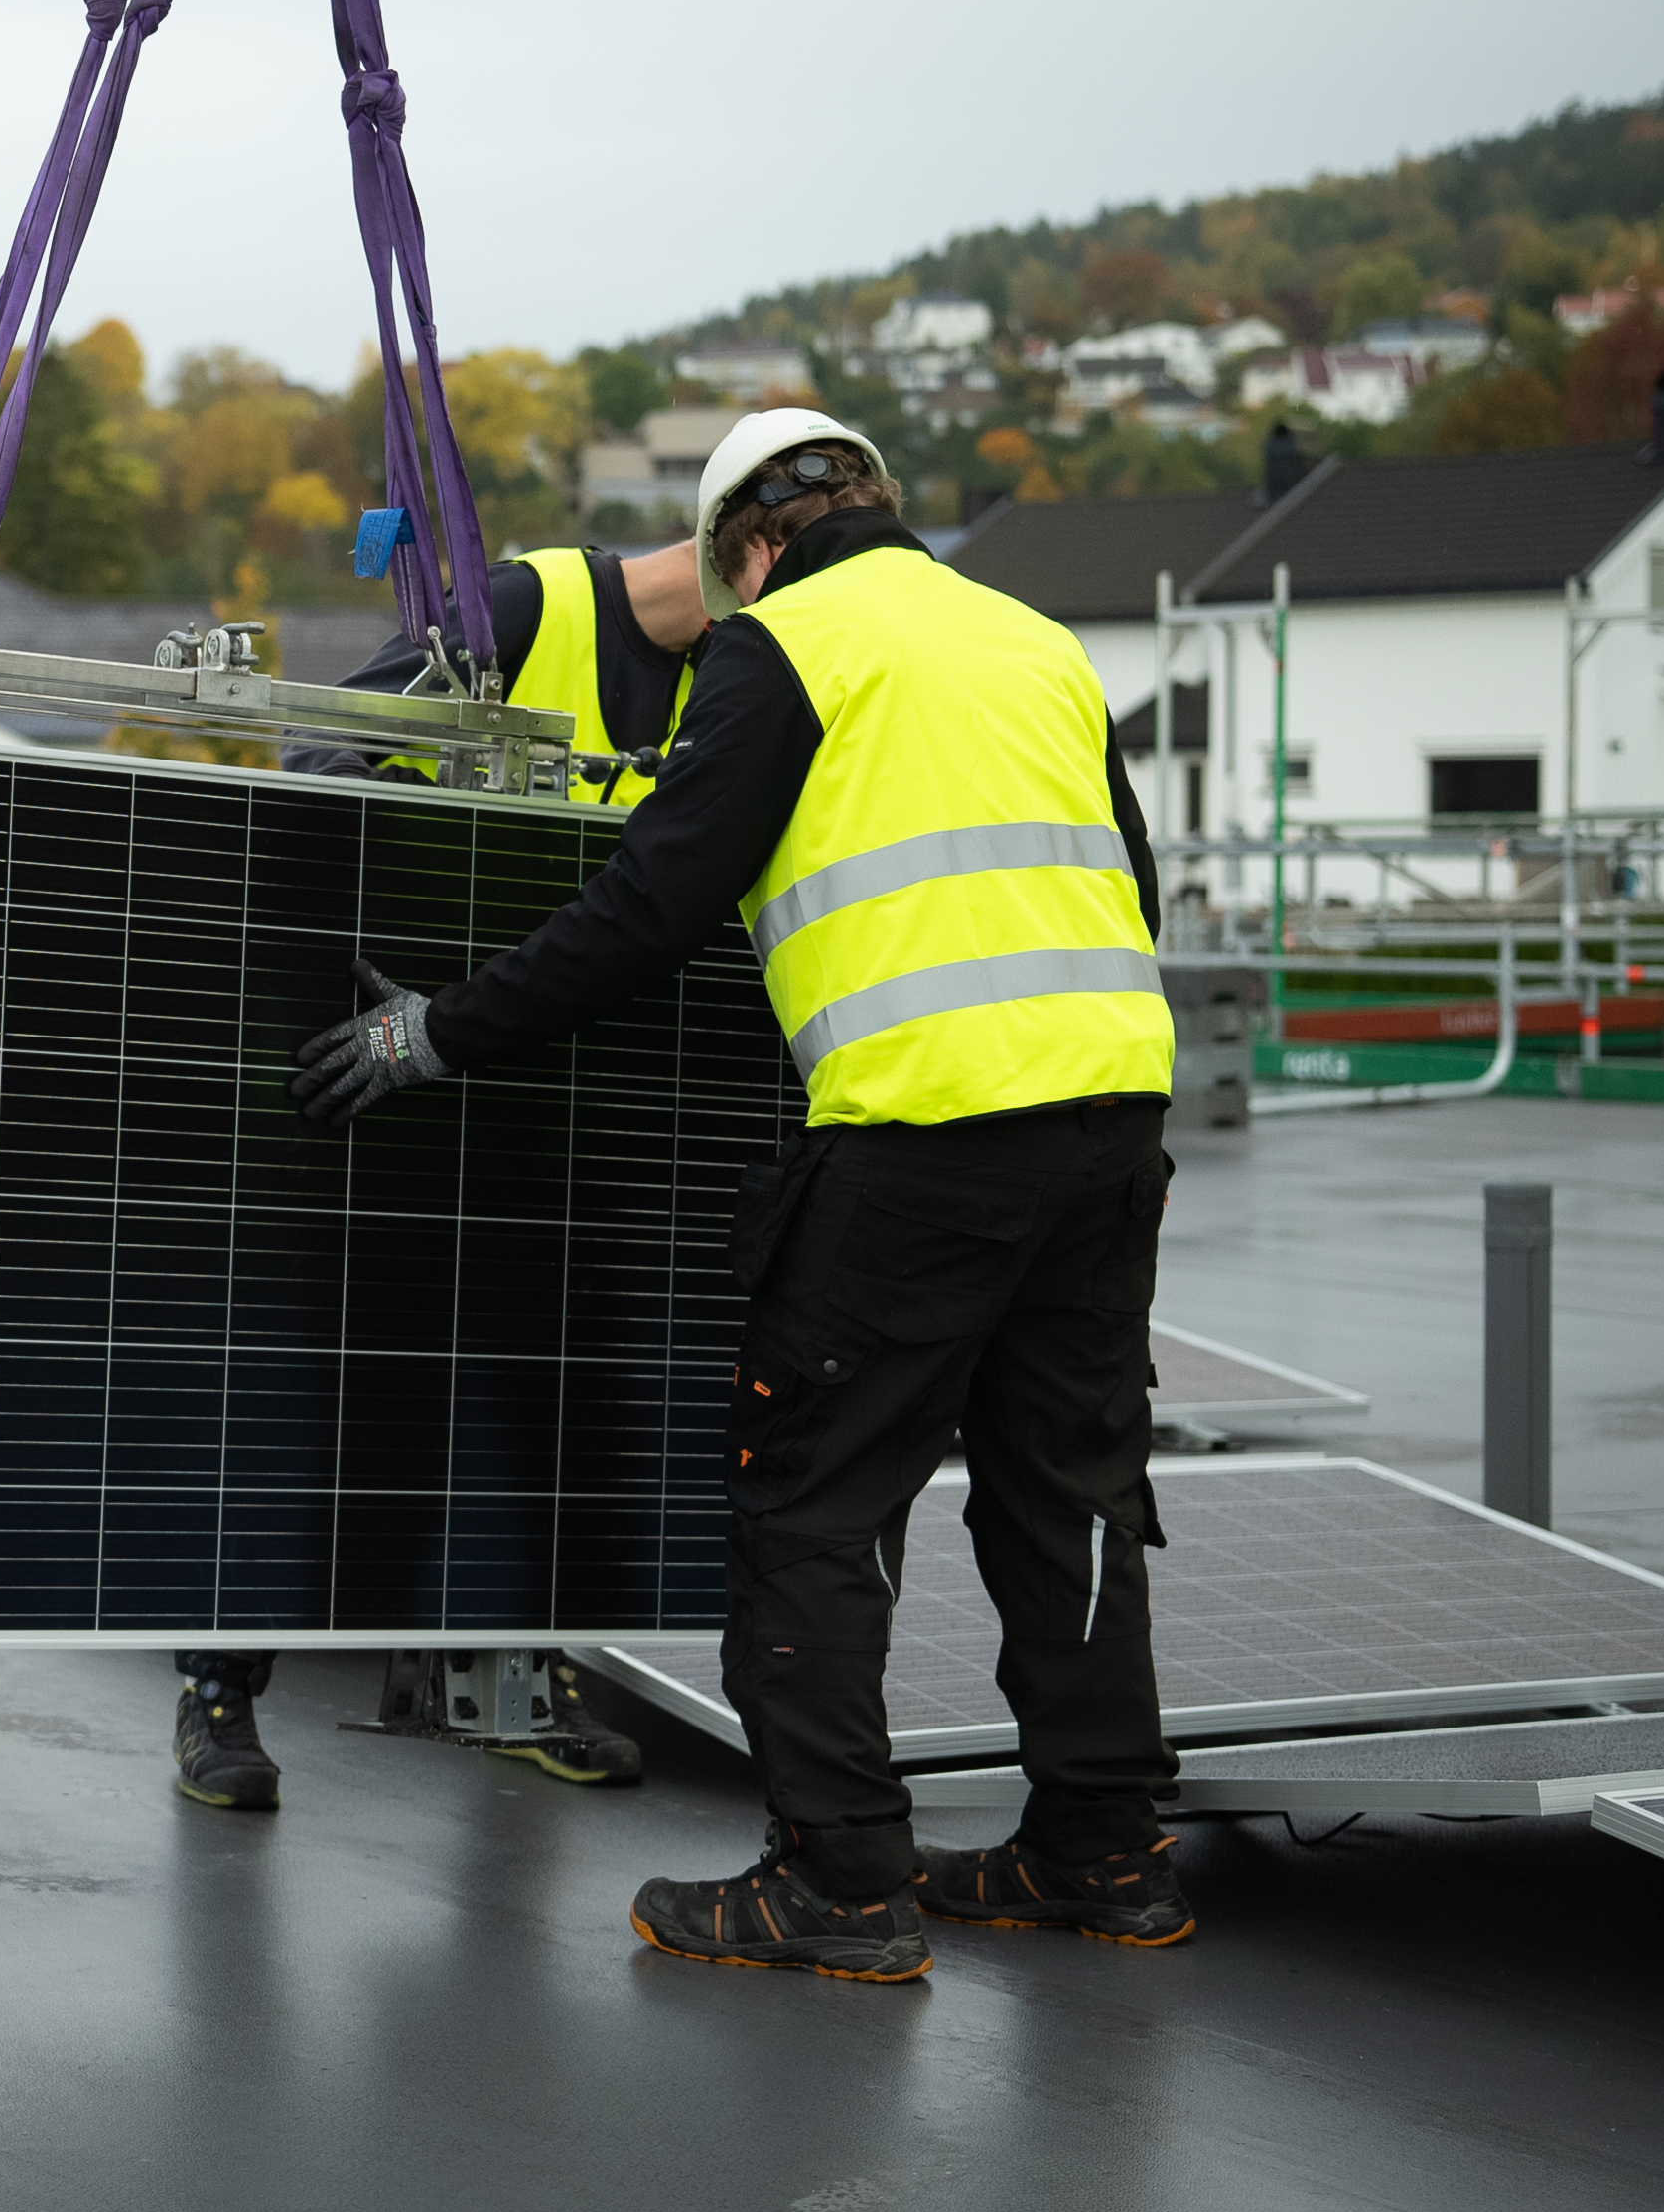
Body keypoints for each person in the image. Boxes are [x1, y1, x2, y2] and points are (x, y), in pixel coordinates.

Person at [292, 407, 1184, 1981]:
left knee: (811, 1502)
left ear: (746, 550)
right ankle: (1102, 1854)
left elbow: (651, 902)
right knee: (1071, 1498)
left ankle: (839, 1882)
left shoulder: (780, 649)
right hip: (1112, 1120)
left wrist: (434, 1029)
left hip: (922, 1134)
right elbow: (1136, 884)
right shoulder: (1038, 642)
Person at [165, 536, 711, 1813]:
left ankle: (524, 1677)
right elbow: (324, 750)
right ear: (741, 552)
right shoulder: (527, 604)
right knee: (360, 1420)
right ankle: (218, 1691)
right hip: (387, 1086)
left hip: (555, 1106)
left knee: (564, 1420)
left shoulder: (727, 675)